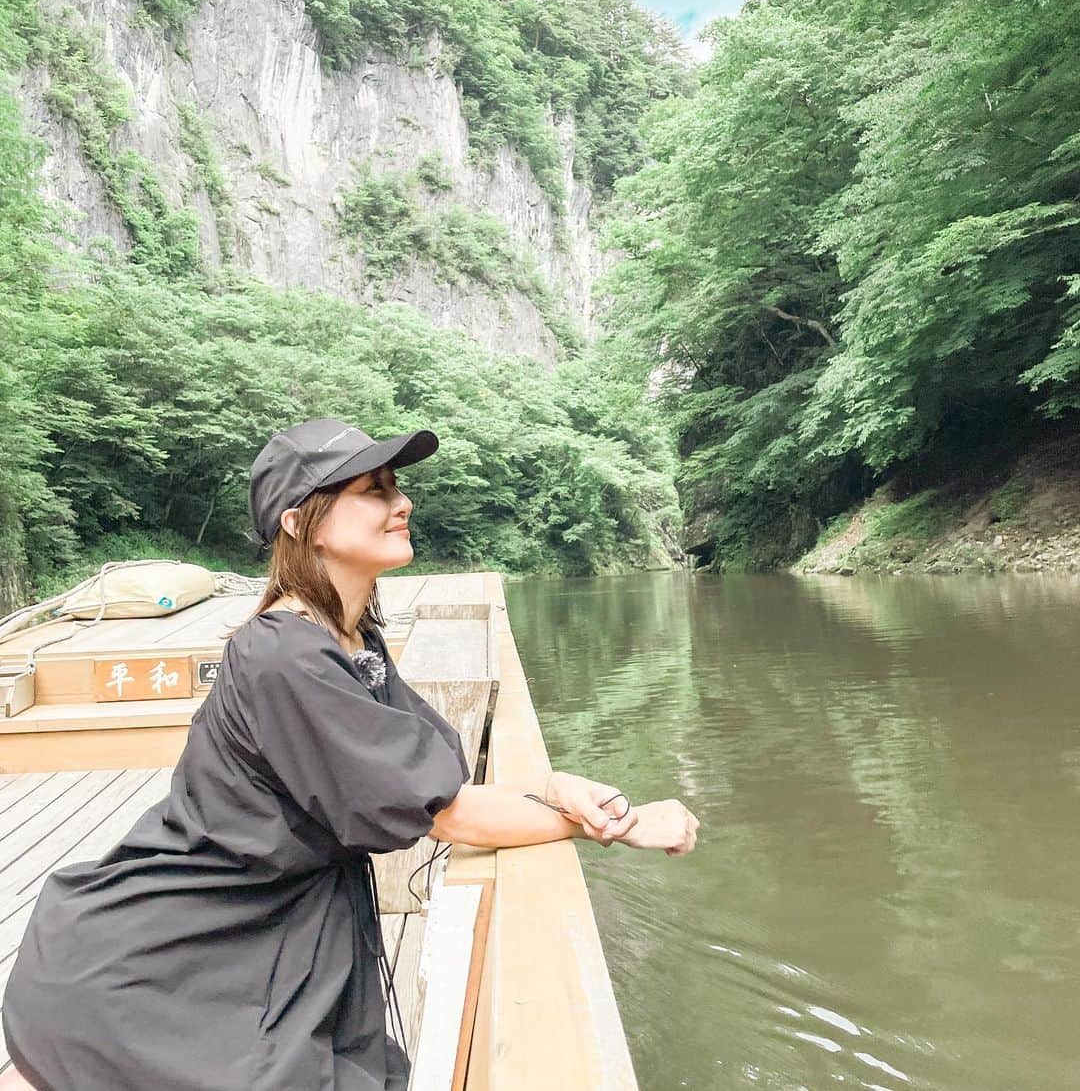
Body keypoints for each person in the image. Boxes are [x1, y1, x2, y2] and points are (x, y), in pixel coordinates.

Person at [1, 418, 699, 1090]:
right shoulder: (283, 655)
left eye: (396, 485)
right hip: (171, 953)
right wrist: (622, 825)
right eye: (374, 490)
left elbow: (435, 782)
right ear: (300, 523)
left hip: (265, 931)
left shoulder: (349, 641)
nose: (403, 502)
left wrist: (553, 785)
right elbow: (449, 815)